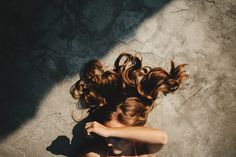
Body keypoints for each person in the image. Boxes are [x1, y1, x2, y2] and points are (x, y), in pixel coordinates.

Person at [70, 53, 188, 157]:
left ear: (133, 132)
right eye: (106, 134)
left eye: (117, 137)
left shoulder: (141, 151)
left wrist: (108, 132)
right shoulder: (96, 154)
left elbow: (162, 138)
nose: (109, 142)